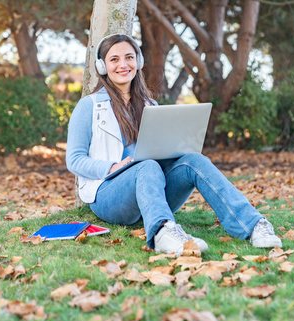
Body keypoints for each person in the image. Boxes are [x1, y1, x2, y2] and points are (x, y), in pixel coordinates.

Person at [66, 34, 282, 256]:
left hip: (152, 190)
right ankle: (163, 233)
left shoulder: (151, 106)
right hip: (108, 195)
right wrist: (112, 167)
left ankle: (253, 225)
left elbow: (161, 149)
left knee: (195, 160)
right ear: (102, 66)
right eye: (114, 59)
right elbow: (74, 159)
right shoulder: (89, 106)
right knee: (146, 165)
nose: (123, 64)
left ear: (138, 62)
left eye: (129, 57)